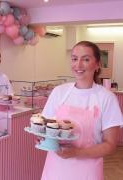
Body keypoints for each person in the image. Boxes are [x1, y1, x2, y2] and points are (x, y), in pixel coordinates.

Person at [40, 41, 123, 180]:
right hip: (56, 168)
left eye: (85, 59)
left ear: (97, 64)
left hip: (87, 172)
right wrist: (43, 137)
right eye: (74, 59)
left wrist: (76, 152)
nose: (78, 65)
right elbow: (46, 127)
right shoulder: (59, 92)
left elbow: (110, 144)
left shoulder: (107, 98)